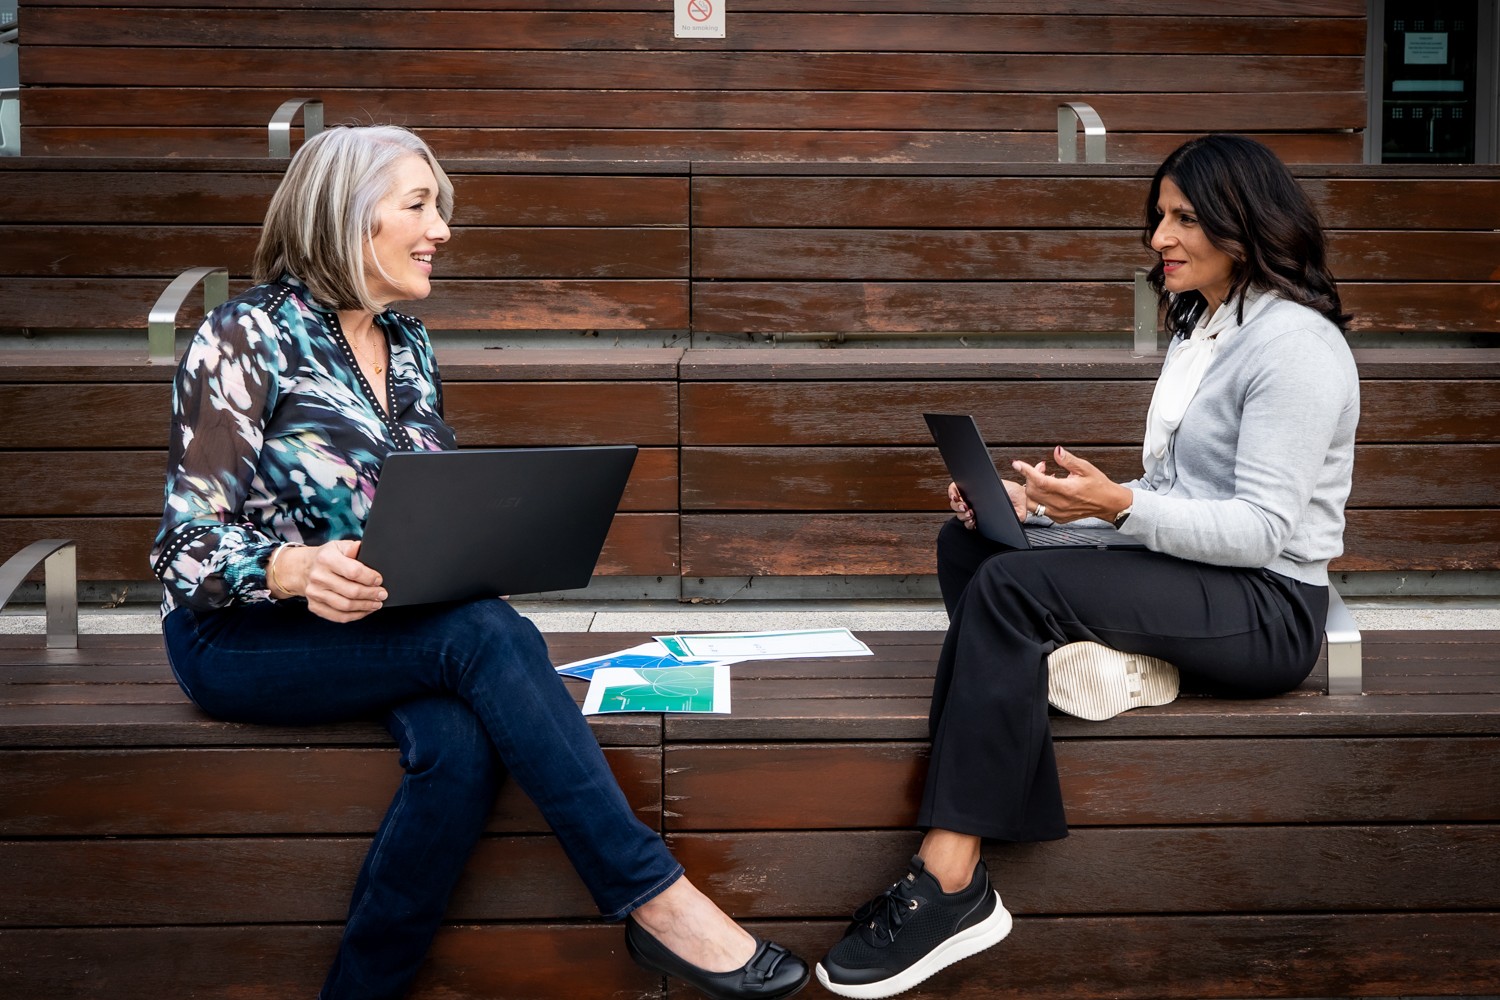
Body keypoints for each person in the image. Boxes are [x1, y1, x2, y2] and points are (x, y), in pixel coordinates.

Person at [150, 125, 810, 1000]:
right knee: (490, 634)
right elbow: (182, 550)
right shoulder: (243, 337)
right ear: (345, 218)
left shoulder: (410, 343)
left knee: (461, 744)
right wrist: (296, 569)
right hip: (241, 636)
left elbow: (422, 500)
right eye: (419, 205)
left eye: (441, 209)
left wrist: (472, 545)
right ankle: (657, 901)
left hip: (390, 621)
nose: (443, 231)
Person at [815, 134, 1359, 998]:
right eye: (1159, 217)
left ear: (1244, 225)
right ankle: (1132, 663)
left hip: (1269, 610)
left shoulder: (1293, 349)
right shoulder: (1208, 327)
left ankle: (953, 877)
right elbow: (1181, 491)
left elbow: (1260, 531)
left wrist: (1116, 508)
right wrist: (1047, 505)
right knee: (978, 545)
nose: (1158, 239)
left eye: (1183, 219)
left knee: (1012, 589)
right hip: (1203, 580)